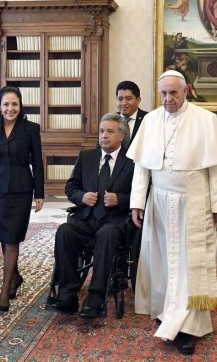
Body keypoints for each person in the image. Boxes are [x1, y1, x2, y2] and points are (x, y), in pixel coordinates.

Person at [126, 70, 217, 355]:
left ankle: (189, 327)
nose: (168, 99)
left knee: (189, 263)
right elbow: (141, 168)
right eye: (163, 93)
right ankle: (165, 311)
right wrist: (137, 202)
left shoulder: (206, 120)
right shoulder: (150, 120)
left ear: (186, 90)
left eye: (174, 92)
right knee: (161, 259)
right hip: (159, 200)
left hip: (194, 202)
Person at [51, 114, 135, 319]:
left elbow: (141, 195)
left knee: (106, 235)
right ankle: (68, 293)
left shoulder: (132, 161)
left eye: (110, 131)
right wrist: (81, 197)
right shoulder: (86, 157)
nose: (104, 136)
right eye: (101, 131)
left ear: (121, 136)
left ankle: (96, 298)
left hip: (114, 223)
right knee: (64, 231)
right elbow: (71, 187)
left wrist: (121, 200)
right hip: (86, 219)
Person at [0, 86, 44, 313]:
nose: (10, 108)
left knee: (12, 239)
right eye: (6, 104)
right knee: (4, 237)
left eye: (14, 104)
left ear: (20, 106)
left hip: (22, 190)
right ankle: (15, 277)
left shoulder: (31, 129)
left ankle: (4, 292)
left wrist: (39, 193)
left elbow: (38, 163)